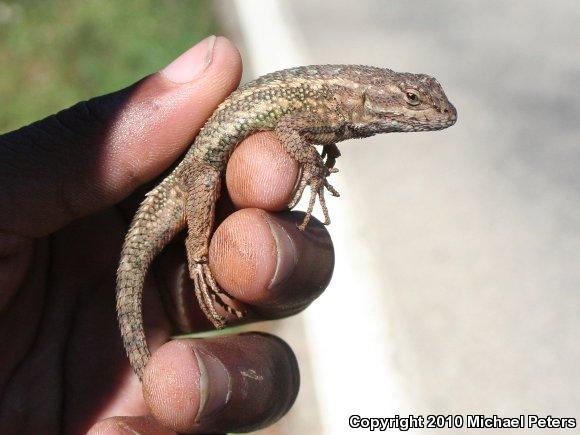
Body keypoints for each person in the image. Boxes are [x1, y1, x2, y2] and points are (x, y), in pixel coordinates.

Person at [0, 36, 334, 434]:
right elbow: (288, 123)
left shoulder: (342, 105)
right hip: (194, 173)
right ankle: (195, 258)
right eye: (412, 101)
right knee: (216, 187)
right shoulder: (340, 100)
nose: (422, 114)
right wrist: (312, 166)